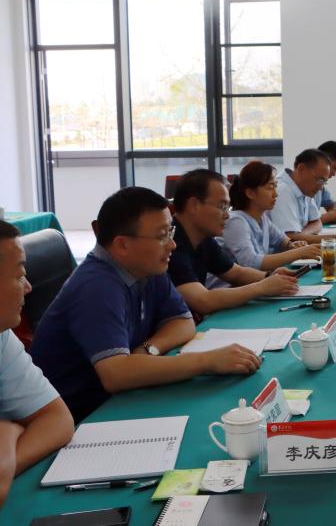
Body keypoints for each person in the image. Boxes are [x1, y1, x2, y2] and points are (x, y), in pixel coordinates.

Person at [30, 188, 262, 423]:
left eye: (171, 231)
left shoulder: (146, 266)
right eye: (162, 236)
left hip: (123, 397)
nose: (172, 245)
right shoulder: (95, 286)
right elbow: (116, 374)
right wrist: (208, 361)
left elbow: (183, 322)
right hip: (82, 416)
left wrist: (147, 350)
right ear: (122, 245)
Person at [0, 221, 74, 507]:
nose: (29, 288)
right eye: (20, 275)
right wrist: (9, 431)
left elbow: (57, 419)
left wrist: (7, 456)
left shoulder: (2, 335)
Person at [169, 169, 300, 316]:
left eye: (228, 207)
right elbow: (203, 301)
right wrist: (262, 287)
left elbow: (236, 273)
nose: (227, 215)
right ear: (194, 205)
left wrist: (270, 277)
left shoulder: (203, 238)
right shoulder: (171, 245)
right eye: (222, 207)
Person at [222, 161, 323, 271]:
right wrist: (298, 253)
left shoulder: (262, 219)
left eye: (275, 186)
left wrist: (292, 245)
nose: (276, 194)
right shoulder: (236, 221)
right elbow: (250, 263)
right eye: (270, 187)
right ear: (250, 193)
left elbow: (281, 240)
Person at [270, 149, 336, 245]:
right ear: (301, 169)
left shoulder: (305, 188)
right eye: (319, 180)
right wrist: (334, 239)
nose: (321, 188)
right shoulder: (282, 191)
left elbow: (317, 222)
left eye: (324, 182)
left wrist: (302, 235)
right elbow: (289, 240)